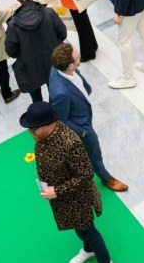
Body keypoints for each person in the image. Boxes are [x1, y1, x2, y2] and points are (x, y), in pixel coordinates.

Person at [21, 101, 112, 263]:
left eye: (33, 129)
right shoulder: (43, 136)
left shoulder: (70, 143)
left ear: (47, 124)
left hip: (78, 199)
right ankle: (88, 250)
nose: (30, 132)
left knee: (87, 231)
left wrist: (56, 190)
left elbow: (86, 174)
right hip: (64, 198)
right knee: (81, 227)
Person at [49, 43, 126, 191]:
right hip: (80, 125)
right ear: (70, 66)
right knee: (94, 150)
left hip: (80, 110)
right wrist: (82, 132)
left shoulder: (58, 67)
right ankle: (106, 178)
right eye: (78, 58)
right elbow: (61, 119)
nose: (80, 59)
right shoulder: (61, 93)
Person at [5, 0, 68, 102]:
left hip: (30, 67)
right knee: (54, 93)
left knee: (36, 100)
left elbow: (10, 51)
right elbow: (63, 34)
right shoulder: (49, 13)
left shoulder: (13, 24)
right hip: (52, 61)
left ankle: (41, 112)